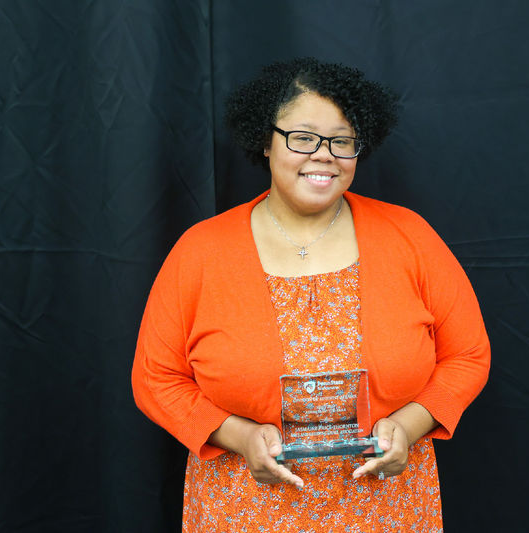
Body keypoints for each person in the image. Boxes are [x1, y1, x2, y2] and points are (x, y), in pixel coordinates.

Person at [132, 57, 490, 532]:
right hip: (244, 510)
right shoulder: (201, 251)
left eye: (342, 141)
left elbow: (467, 355)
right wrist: (239, 436)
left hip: (388, 509)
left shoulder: (410, 237)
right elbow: (156, 378)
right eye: (303, 137)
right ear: (266, 140)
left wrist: (409, 426)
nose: (324, 155)